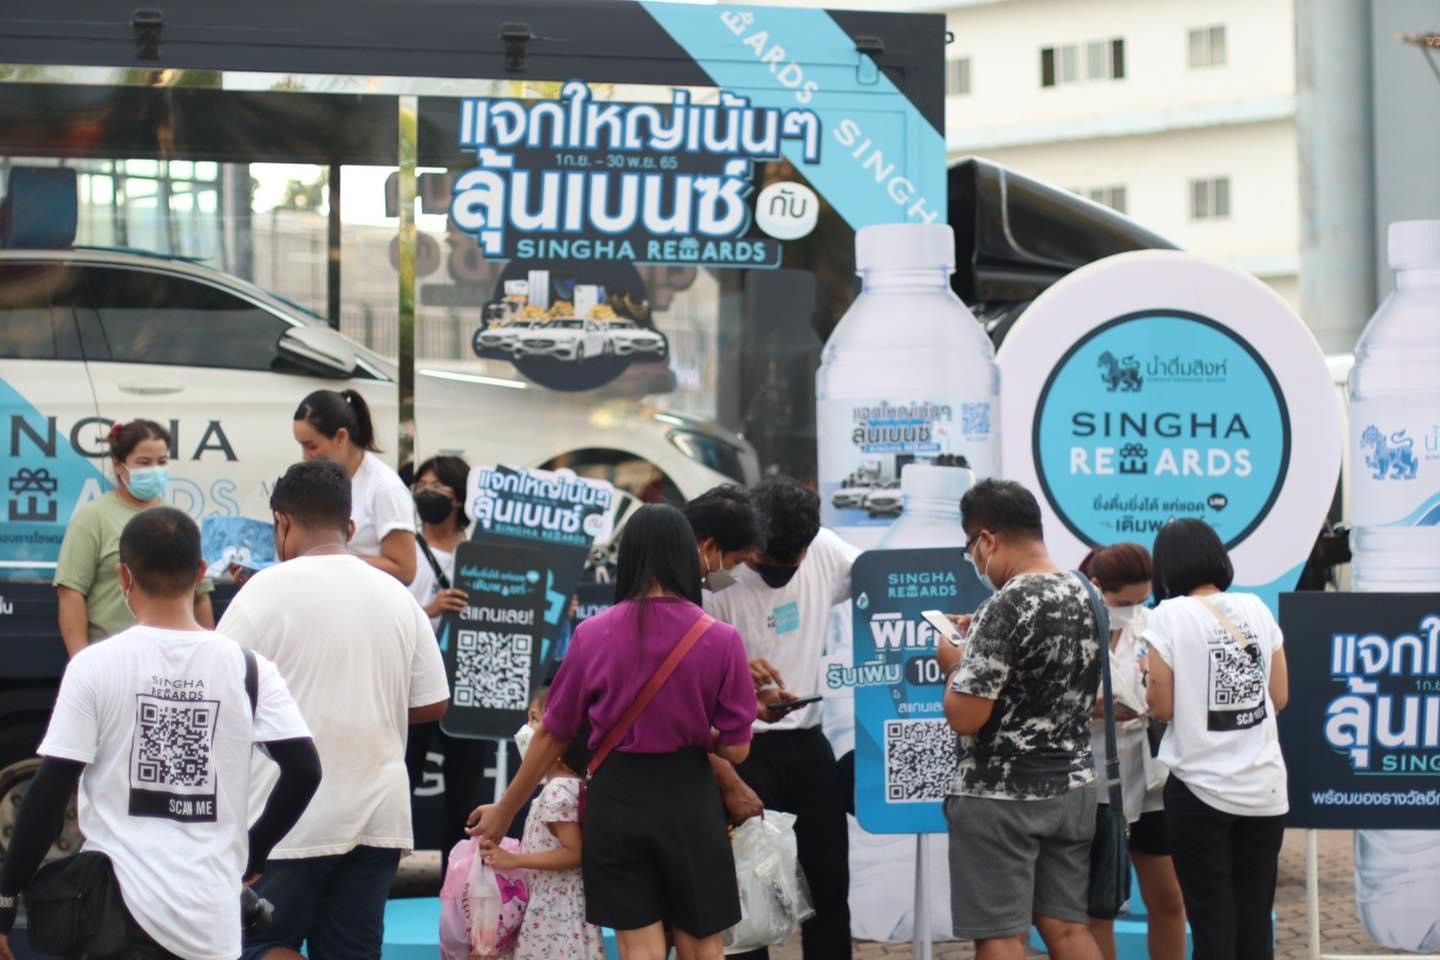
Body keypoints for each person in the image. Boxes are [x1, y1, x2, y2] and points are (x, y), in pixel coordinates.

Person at [0, 508, 320, 960]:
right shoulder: (249, 669)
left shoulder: (94, 666)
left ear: (123, 576)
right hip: (212, 921)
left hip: (118, 916)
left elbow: (50, 791)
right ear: (201, 572)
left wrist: (6, 897)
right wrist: (256, 849)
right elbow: (305, 770)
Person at [469, 503, 755, 960]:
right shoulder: (721, 638)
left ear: (629, 558)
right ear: (687, 554)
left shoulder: (592, 633)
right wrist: (703, 734)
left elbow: (552, 734)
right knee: (702, 942)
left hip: (618, 798)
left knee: (638, 945)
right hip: (690, 799)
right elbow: (737, 750)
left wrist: (505, 810)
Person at [217, 459, 451, 960]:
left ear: (282, 522)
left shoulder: (264, 591)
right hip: (378, 817)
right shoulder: (398, 596)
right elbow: (433, 701)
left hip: (285, 821)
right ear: (350, 525)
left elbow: (218, 694)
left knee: (255, 945)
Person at [936, 478, 1103, 960]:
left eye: (971, 548)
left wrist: (953, 665)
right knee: (1067, 928)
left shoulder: (1006, 603)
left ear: (987, 539)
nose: (973, 560)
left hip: (1000, 796)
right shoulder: (1085, 591)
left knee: (1001, 935)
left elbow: (966, 716)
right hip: (1073, 787)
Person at [704, 477, 858, 960]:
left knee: (829, 884)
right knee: (749, 895)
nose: (778, 574)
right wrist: (733, 673)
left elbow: (882, 580)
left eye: (791, 565)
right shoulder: (715, 579)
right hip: (739, 748)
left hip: (807, 741)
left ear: (809, 546)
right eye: (763, 563)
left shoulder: (828, 551)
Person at [1144, 518, 1289, 960]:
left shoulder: (1167, 616)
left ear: (1165, 568)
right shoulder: (1256, 608)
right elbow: (1279, 696)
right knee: (1254, 916)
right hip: (1264, 788)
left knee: (1211, 919)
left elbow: (1162, 708)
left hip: (1200, 788)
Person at [1079, 543, 1186, 960]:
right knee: (1100, 905)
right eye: (1124, 603)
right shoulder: (1073, 628)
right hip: (1096, 785)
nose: (1133, 611)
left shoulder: (1153, 625)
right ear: (1097, 587)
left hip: (1150, 778)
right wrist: (1094, 709)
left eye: (1142, 600)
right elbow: (1045, 702)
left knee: (1169, 897)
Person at [55, 419, 214, 655]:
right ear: (118, 465)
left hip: (173, 656)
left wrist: (206, 652)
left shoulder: (178, 520)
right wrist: (80, 659)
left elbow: (200, 595)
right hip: (111, 656)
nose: (155, 470)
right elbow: (71, 593)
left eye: (162, 462)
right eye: (144, 463)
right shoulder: (92, 517)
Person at [480, 688, 604, 960]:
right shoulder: (563, 787)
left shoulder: (557, 791)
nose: (526, 729)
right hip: (551, 908)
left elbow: (573, 853)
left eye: (536, 720)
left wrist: (514, 860)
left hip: (557, 913)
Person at [293, 389, 416, 585]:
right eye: (302, 446)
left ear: (341, 437)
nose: (306, 456)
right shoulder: (324, 482)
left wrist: (336, 563)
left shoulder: (385, 488)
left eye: (312, 446)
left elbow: (405, 569)